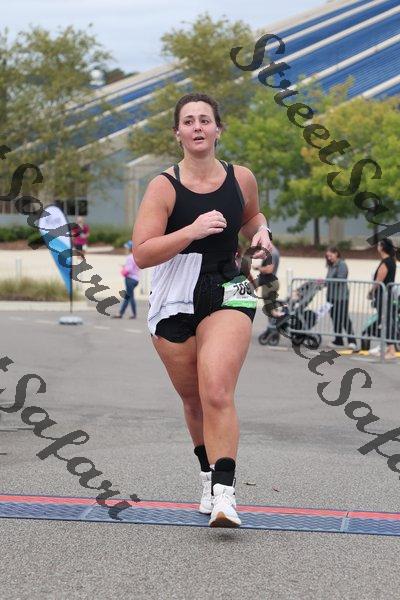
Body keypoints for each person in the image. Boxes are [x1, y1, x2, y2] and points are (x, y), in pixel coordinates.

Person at [132, 92, 272, 528]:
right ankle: (208, 476)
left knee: (216, 390)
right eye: (188, 121)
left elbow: (252, 218)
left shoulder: (241, 178)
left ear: (217, 129)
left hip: (227, 285)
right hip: (174, 292)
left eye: (205, 120)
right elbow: (143, 253)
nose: (197, 126)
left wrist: (262, 233)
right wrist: (191, 231)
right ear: (177, 133)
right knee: (193, 399)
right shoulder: (163, 186)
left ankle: (225, 495)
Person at [364, 238, 397, 359]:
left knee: (386, 321)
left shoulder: (386, 262)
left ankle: (391, 350)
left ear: (382, 247)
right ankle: (388, 348)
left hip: (383, 295)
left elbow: (379, 281)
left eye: (379, 245)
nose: (377, 247)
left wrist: (371, 292)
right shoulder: (391, 260)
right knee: (386, 321)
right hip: (387, 294)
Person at [325, 246, 356, 350]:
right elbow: (328, 279)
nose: (329, 258)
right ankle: (338, 340)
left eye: (331, 255)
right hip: (331, 296)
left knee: (344, 318)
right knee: (335, 318)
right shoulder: (331, 265)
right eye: (327, 256)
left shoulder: (342, 264)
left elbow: (341, 278)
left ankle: (352, 341)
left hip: (341, 297)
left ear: (336, 254)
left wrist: (329, 281)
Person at [113, 241, 140, 319]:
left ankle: (133, 314)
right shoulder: (136, 256)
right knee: (127, 296)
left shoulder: (129, 257)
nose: (126, 249)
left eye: (127, 248)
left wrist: (123, 271)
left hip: (130, 279)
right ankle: (121, 313)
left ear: (130, 248)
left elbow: (129, 269)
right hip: (136, 279)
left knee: (130, 297)